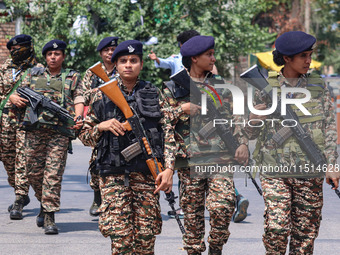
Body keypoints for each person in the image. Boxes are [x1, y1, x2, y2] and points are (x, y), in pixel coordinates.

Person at [246, 31, 340, 254]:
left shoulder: (318, 87)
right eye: (303, 56)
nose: (309, 61)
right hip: (274, 170)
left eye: (310, 55)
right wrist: (254, 119)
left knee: (305, 238)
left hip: (310, 170)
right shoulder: (265, 88)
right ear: (286, 58)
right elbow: (248, 134)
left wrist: (332, 164)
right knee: (276, 229)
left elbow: (329, 128)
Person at [79, 40, 175, 254]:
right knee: (121, 240)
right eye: (123, 61)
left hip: (147, 175)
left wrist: (168, 169)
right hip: (113, 176)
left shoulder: (154, 94)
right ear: (115, 64)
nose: (128, 65)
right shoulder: (99, 95)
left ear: (141, 64)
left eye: (134, 60)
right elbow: (84, 135)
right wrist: (101, 127)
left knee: (145, 238)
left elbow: (167, 133)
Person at [162, 35, 249, 255]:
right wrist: (180, 110)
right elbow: (162, 124)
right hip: (190, 161)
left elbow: (236, 119)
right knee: (192, 217)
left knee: (223, 206)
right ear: (194, 58)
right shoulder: (173, 88)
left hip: (221, 158)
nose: (213, 58)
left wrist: (243, 144)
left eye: (212, 54)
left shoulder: (223, 87)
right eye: (209, 55)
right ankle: (194, 250)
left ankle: (216, 246)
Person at [21, 39, 84, 234]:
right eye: (50, 54)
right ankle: (43, 203)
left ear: (63, 57)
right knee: (32, 172)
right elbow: (19, 94)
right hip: (34, 130)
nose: (53, 57)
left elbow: (79, 97)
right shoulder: (32, 74)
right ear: (46, 57)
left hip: (59, 132)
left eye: (57, 54)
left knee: (53, 174)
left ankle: (49, 215)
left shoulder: (71, 76)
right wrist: (16, 97)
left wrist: (79, 115)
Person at [0, 34, 38, 219]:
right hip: (7, 122)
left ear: (29, 47)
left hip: (28, 121)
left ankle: (20, 198)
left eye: (19, 49)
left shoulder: (39, 69)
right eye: (12, 50)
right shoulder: (4, 69)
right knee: (8, 158)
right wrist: (9, 98)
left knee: (23, 159)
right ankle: (19, 189)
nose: (15, 52)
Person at [82, 36, 119, 217]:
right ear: (101, 53)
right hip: (99, 116)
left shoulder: (123, 67)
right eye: (107, 50)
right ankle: (97, 197)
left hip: (119, 115)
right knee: (97, 159)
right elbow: (84, 95)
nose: (110, 53)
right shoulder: (92, 72)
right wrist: (103, 90)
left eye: (113, 50)